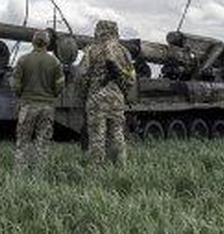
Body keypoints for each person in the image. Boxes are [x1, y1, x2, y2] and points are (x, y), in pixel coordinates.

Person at [79, 19, 135, 166]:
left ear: (98, 31)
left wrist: (85, 95)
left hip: (96, 99)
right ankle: (120, 167)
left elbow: (82, 77)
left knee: (97, 136)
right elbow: (131, 79)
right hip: (117, 100)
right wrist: (121, 90)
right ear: (115, 31)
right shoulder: (124, 52)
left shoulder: (90, 50)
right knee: (117, 134)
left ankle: (97, 171)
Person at [12, 31, 66, 173]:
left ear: (33, 42)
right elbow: (60, 84)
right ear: (47, 44)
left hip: (28, 105)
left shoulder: (23, 60)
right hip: (47, 107)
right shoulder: (55, 62)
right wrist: (52, 95)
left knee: (23, 141)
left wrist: (21, 95)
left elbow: (15, 84)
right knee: (42, 141)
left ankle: (20, 173)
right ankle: (39, 173)